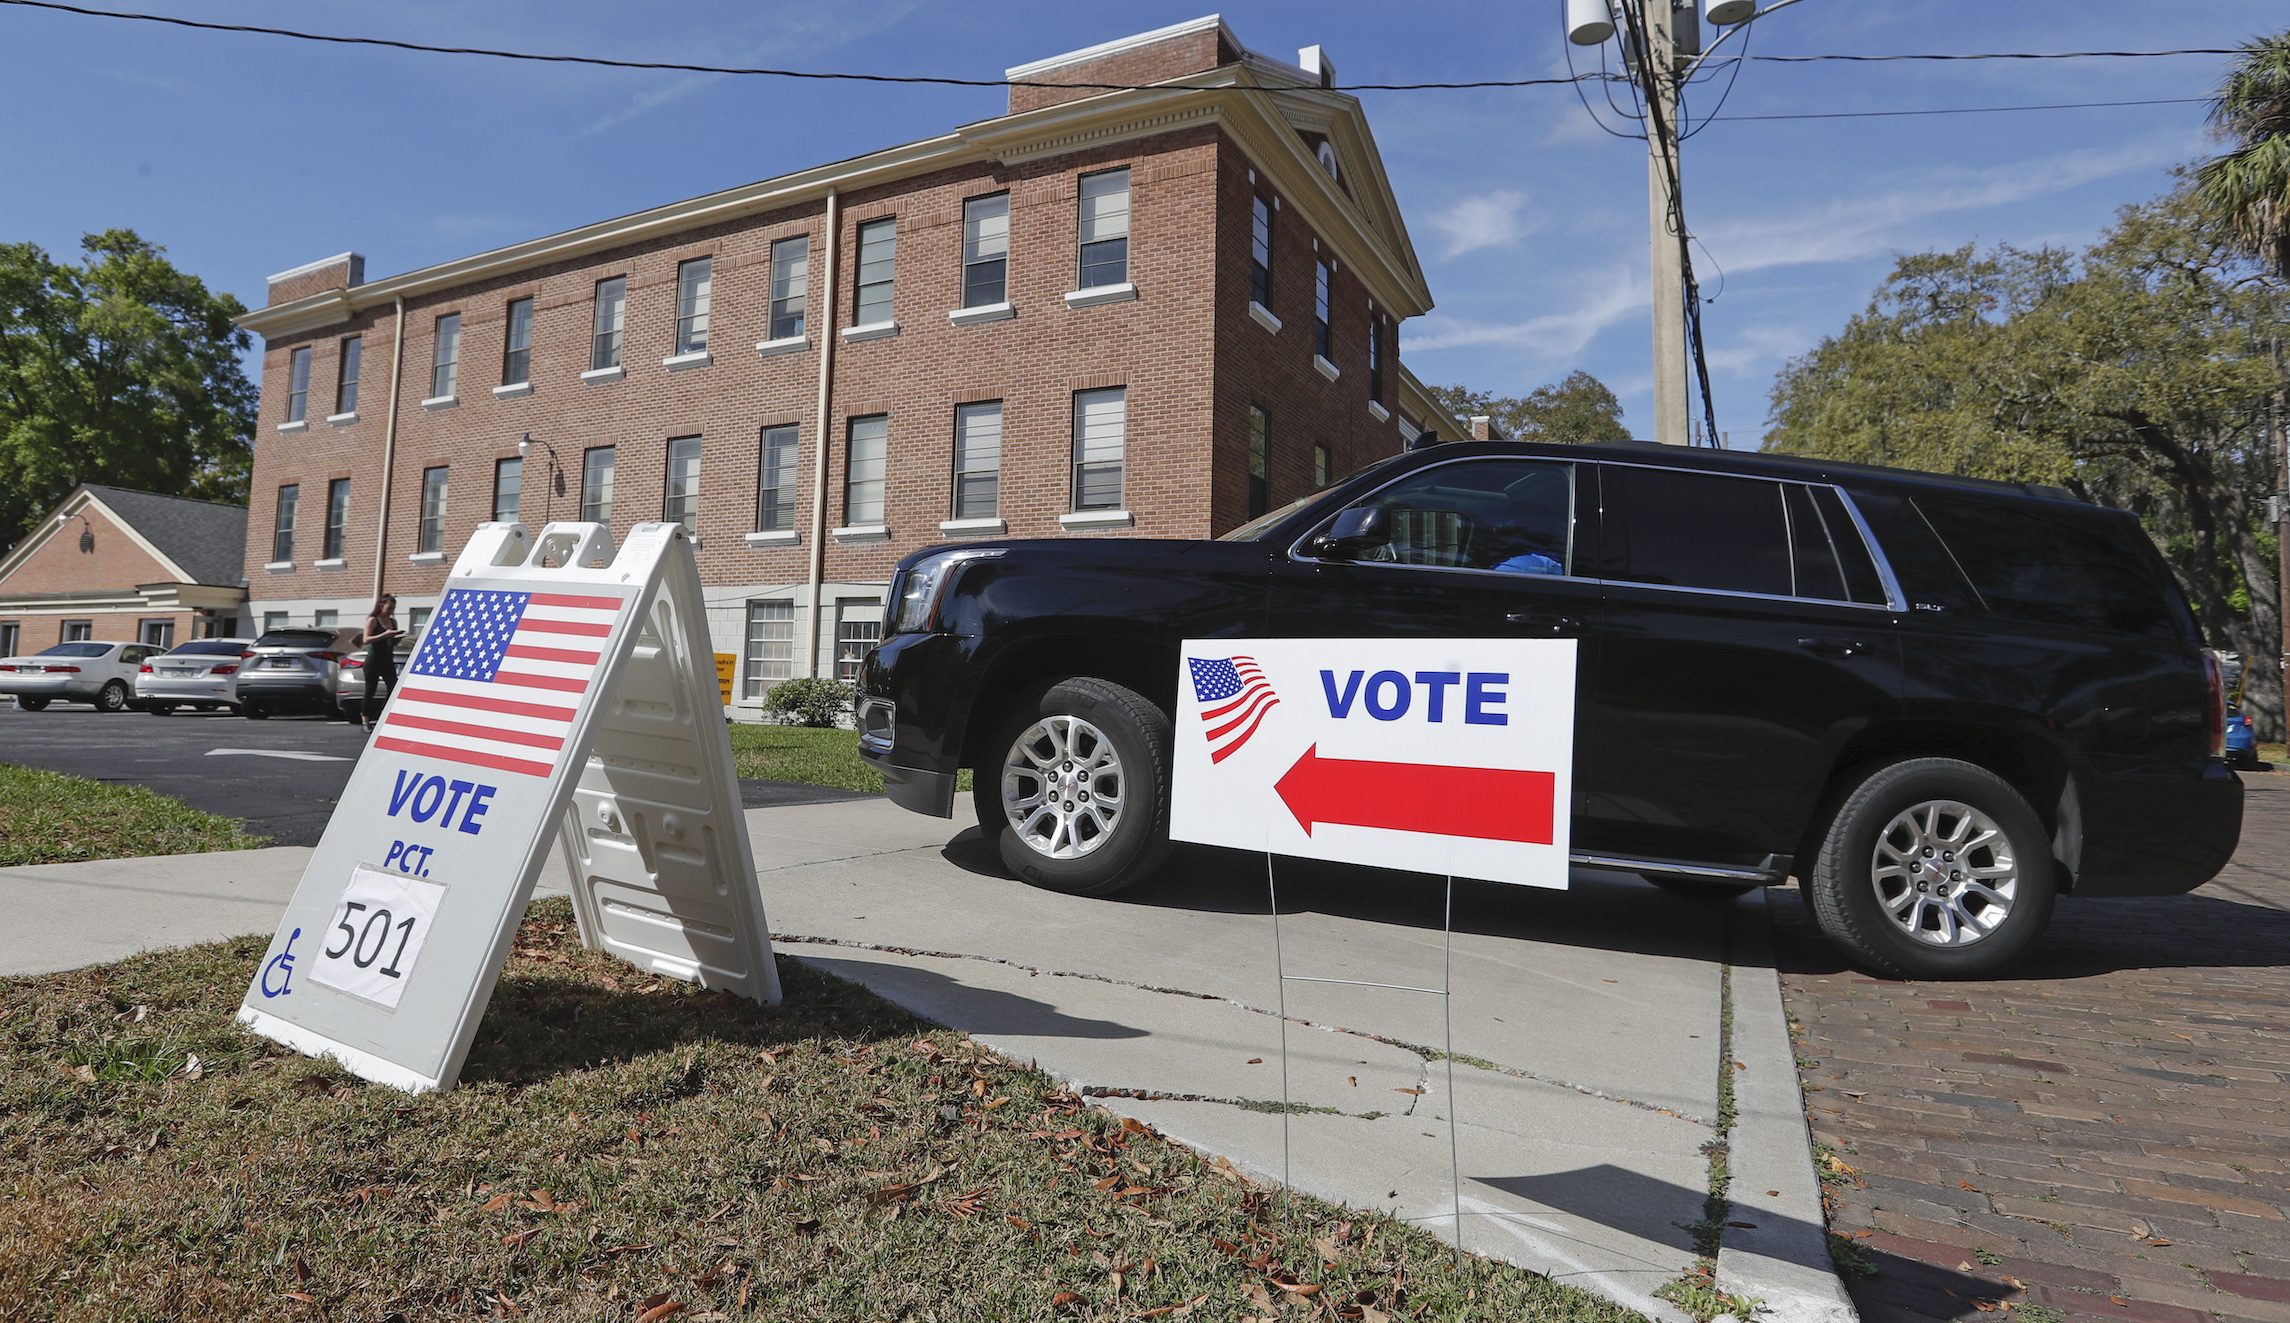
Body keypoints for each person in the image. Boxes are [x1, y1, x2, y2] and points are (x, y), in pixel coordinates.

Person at [361, 592, 406, 732]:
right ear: (381, 606)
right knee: (370, 690)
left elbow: (391, 642)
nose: (391, 611)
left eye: (393, 608)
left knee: (393, 688)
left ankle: (383, 716)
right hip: (373, 659)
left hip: (387, 660)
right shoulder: (373, 620)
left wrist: (397, 637)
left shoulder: (393, 622)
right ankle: (365, 721)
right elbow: (366, 639)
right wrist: (384, 634)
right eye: (389, 608)